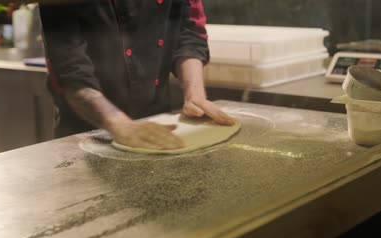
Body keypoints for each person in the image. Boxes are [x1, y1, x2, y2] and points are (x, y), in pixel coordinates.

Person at [39, 0, 235, 150]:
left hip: (159, 124)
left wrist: (195, 96)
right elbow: (69, 68)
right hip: (86, 134)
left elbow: (190, 33)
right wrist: (119, 124)